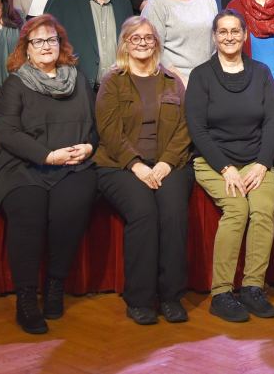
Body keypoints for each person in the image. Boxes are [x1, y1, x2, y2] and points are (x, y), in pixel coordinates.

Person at [0, 15, 98, 333]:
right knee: (28, 210)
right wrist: (47, 156)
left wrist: (88, 147)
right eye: (38, 41)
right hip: (22, 164)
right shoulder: (16, 83)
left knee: (70, 207)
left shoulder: (78, 79)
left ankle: (55, 286)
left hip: (72, 164)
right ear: (27, 49)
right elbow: (6, 131)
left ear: (60, 44)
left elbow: (95, 126)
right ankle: (26, 299)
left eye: (51, 39)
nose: (45, 46)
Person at [94, 18, 194, 325]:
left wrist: (166, 162)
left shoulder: (172, 81)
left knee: (174, 213)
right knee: (144, 213)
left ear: (156, 43)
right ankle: (139, 299)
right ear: (125, 44)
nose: (142, 43)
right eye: (135, 38)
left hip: (169, 163)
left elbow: (185, 127)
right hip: (120, 165)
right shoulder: (113, 81)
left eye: (148, 38)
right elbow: (109, 132)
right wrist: (136, 165)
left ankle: (171, 297)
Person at [185, 10, 274, 323]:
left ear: (244, 35)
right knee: (238, 209)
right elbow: (197, 128)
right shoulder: (201, 75)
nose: (229, 37)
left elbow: (272, 123)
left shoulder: (261, 72)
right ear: (214, 37)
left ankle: (253, 288)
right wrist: (225, 168)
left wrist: (262, 164)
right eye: (223, 31)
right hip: (214, 161)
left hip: (256, 161)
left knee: (263, 210)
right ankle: (222, 293)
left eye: (235, 31)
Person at [44, 0, 135, 92]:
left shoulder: (124, 3)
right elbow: (46, 48)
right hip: (75, 92)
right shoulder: (60, 1)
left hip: (118, 91)